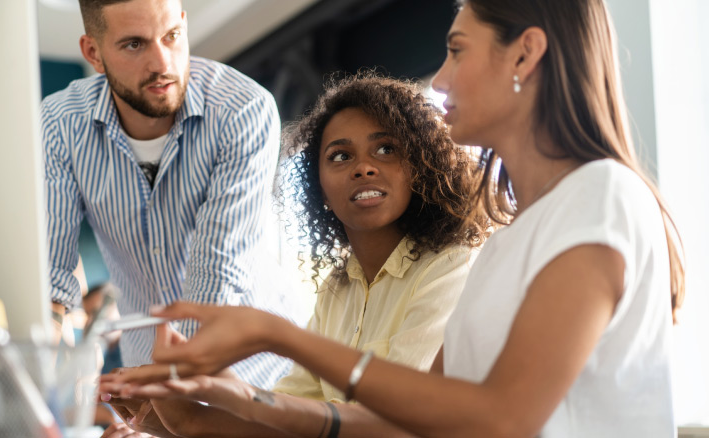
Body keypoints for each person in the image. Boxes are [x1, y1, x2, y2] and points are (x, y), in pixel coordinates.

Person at [110, 0, 686, 436]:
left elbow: (503, 420)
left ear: (525, 54)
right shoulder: (510, 244)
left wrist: (278, 335)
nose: (439, 79)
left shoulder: (601, 198)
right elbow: (408, 425)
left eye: (457, 50)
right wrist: (209, 404)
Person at [98, 74, 490, 437]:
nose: (364, 168)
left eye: (386, 149)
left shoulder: (451, 267)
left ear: (419, 166)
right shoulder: (337, 289)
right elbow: (290, 418)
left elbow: (397, 421)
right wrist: (165, 423)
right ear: (318, 188)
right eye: (340, 156)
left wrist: (193, 418)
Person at [43, 0, 295, 389]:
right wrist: (31, 400)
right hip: (149, 370)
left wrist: (164, 394)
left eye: (172, 36)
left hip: (262, 371)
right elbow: (52, 282)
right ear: (93, 53)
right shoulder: (60, 126)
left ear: (184, 25)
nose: (162, 63)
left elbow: (217, 273)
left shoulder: (243, 109)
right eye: (134, 45)